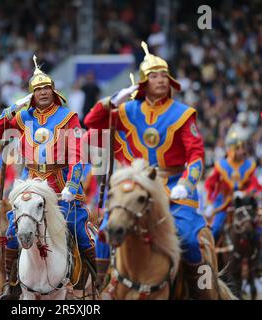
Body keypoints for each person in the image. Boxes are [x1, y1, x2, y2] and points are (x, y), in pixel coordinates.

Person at [84, 41, 217, 299]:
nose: (161, 80)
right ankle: (99, 287)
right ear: (144, 81)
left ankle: (202, 293)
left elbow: (196, 155)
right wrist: (112, 101)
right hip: (137, 188)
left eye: (164, 75)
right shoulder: (127, 110)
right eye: (154, 75)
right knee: (103, 231)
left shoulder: (183, 113)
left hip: (174, 188)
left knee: (189, 239)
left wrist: (187, 184)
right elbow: (91, 122)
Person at [0, 55, 97, 300]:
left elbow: (77, 155)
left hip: (60, 184)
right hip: (32, 182)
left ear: (54, 90)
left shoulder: (69, 117)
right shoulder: (22, 117)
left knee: (77, 228)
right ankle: (11, 282)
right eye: (37, 89)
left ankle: (95, 277)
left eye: (46, 87)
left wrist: (71, 183)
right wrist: (15, 106)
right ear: (32, 95)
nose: (43, 92)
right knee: (16, 230)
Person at [205, 130, 262, 241]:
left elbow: (254, 184)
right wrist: (209, 202)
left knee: (258, 230)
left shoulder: (249, 165)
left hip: (243, 204)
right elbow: (209, 184)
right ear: (231, 150)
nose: (242, 151)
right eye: (238, 148)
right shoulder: (220, 166)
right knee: (216, 229)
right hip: (224, 205)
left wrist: (245, 193)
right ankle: (210, 256)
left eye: (243, 148)